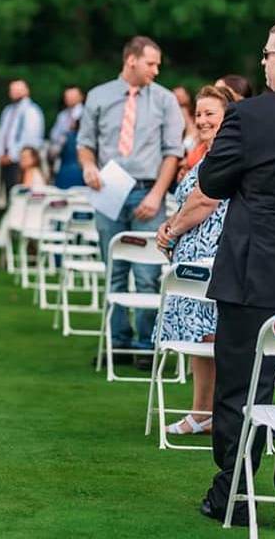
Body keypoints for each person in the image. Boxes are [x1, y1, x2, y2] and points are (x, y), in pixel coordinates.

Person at [197, 16, 275, 529]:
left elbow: (213, 179)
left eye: (269, 54)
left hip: (255, 274)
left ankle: (235, 493)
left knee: (240, 391)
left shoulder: (250, 117)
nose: (264, 62)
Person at [77, 35, 184, 364]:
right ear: (131, 60)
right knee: (114, 268)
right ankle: (117, 345)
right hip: (107, 189)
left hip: (147, 189)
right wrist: (88, 166)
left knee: (148, 271)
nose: (156, 70)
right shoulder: (98, 95)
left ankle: (145, 348)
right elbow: (85, 143)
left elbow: (172, 153)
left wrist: (157, 194)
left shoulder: (165, 100)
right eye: (152, 63)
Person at [152, 85, 236, 435]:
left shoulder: (226, 154)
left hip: (209, 255)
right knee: (201, 339)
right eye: (199, 113)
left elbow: (206, 201)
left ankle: (207, 412)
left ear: (227, 118)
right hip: (190, 252)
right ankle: (204, 411)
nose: (201, 120)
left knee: (207, 339)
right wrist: (170, 226)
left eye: (209, 114)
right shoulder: (206, 153)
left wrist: (171, 231)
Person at [0, 79, 44, 196]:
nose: (14, 92)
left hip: (20, 161)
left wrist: (12, 156)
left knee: (20, 195)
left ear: (26, 91)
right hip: (6, 160)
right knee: (9, 194)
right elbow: (3, 134)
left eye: (18, 89)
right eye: (12, 89)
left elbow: (30, 139)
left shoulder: (31, 111)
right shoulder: (8, 111)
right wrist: (1, 154)